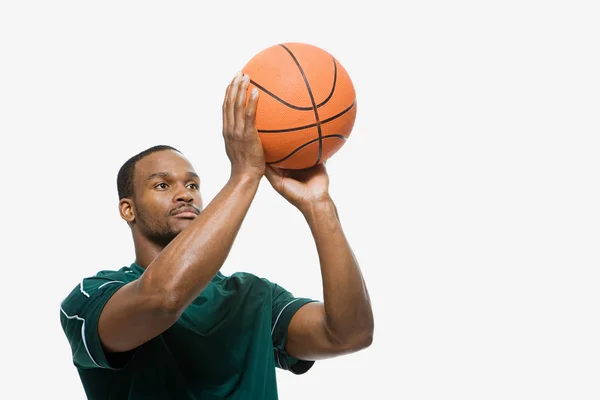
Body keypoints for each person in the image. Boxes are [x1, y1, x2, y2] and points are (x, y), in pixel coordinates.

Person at [59, 71, 374, 399]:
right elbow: (162, 300)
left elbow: (350, 334)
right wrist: (245, 175)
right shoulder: (89, 298)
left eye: (192, 185)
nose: (185, 195)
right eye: (163, 185)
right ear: (128, 209)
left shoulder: (253, 296)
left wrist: (319, 206)